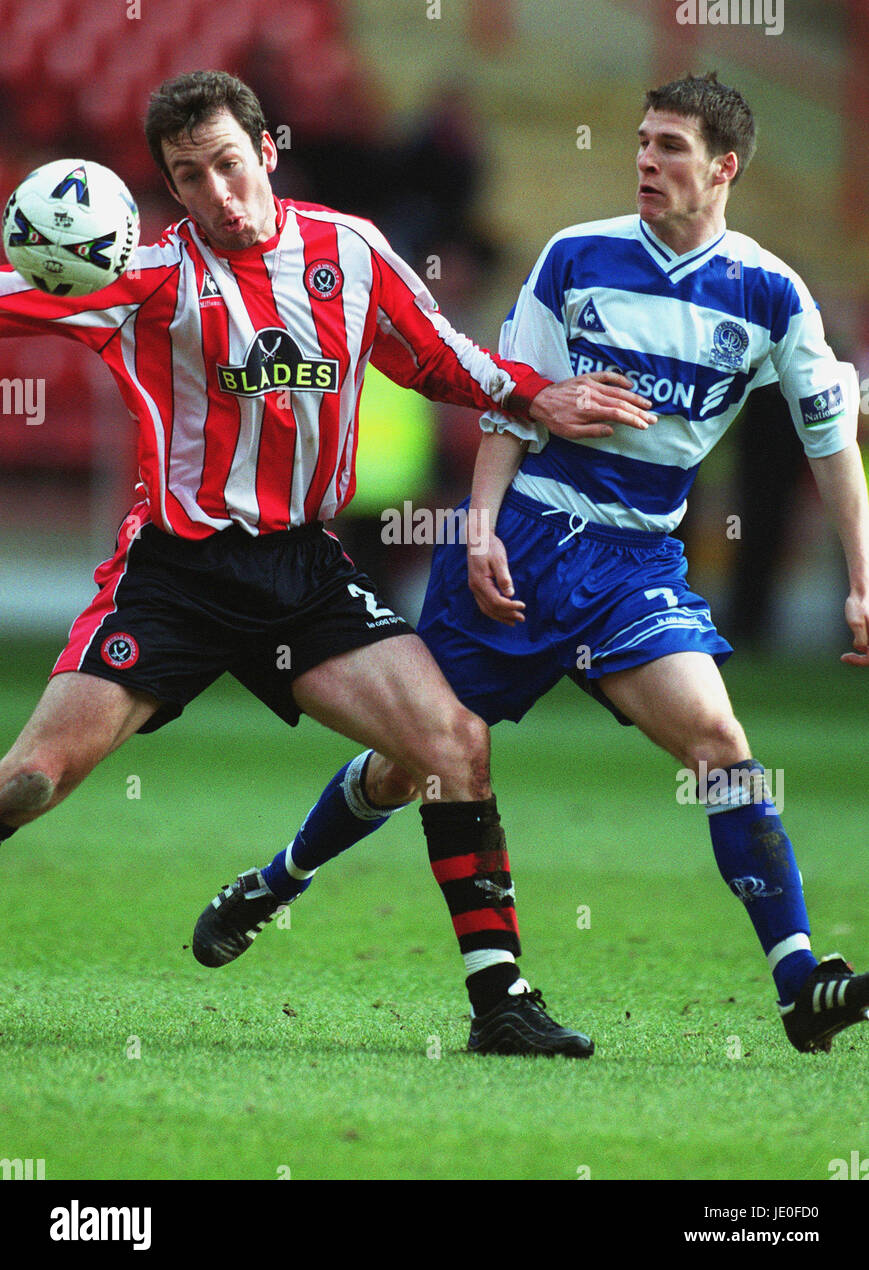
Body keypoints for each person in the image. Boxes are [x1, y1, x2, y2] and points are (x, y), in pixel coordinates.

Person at [195, 72, 869, 1057]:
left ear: (722, 168)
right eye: (641, 141)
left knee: (719, 744)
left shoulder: (767, 295)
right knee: (409, 764)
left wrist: (859, 577)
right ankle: (277, 880)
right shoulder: (576, 259)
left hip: (636, 563)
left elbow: (827, 440)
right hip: (528, 543)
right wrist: (477, 528)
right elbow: (514, 399)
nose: (645, 159)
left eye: (670, 146)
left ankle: (798, 979)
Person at [0, 70, 656, 1059]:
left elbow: (438, 356)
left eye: (227, 164)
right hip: (172, 577)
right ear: (169, 189)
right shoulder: (136, 279)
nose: (215, 193)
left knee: (453, 745)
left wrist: (536, 399)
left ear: (266, 151)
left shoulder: (346, 250)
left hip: (302, 574)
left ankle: (499, 1003)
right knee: (32, 783)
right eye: (188, 177)